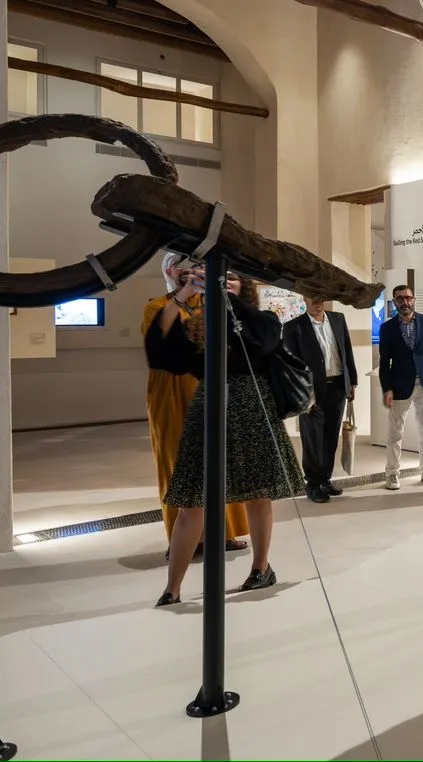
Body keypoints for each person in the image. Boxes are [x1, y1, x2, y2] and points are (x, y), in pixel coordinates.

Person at [157, 271, 303, 605]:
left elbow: (266, 342)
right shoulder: (198, 322)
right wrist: (183, 297)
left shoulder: (262, 318)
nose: (223, 282)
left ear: (244, 287)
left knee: (258, 494)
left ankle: (261, 568)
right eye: (218, 278)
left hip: (251, 408)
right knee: (193, 500)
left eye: (231, 278)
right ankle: (173, 587)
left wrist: (231, 301)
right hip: (208, 410)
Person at [142, 253, 248, 554]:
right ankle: (188, 537)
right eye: (179, 267)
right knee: (179, 462)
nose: (186, 271)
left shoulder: (209, 305)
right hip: (173, 394)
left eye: (193, 267)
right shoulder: (157, 306)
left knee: (219, 462)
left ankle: (223, 533)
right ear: (168, 272)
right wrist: (184, 294)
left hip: (210, 389)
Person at [283, 296, 358, 503]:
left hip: (337, 388)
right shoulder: (293, 327)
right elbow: (292, 365)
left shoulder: (338, 319)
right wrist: (304, 395)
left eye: (321, 298)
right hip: (312, 392)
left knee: (331, 436)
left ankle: (325, 479)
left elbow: (347, 350)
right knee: (313, 438)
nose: (318, 302)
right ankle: (313, 484)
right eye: (313, 298)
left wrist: (352, 381)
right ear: (304, 299)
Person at [378, 284, 423, 488]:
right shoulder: (387, 328)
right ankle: (392, 473)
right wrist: (387, 388)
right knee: (394, 431)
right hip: (400, 385)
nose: (404, 302)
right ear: (394, 302)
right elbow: (385, 362)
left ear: (414, 299)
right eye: (400, 299)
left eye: (408, 298)